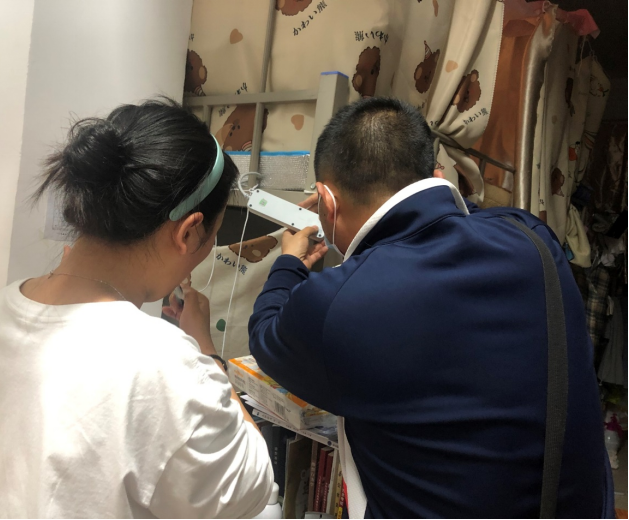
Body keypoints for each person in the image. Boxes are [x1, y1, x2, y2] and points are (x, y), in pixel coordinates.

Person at [248, 97, 614, 519]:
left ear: (327, 204)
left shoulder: (340, 301)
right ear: (436, 176)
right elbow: (459, 217)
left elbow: (265, 334)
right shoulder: (533, 238)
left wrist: (290, 261)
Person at [0, 98, 274, 519]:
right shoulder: (162, 364)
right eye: (213, 236)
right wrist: (205, 350)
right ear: (190, 232)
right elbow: (252, 491)